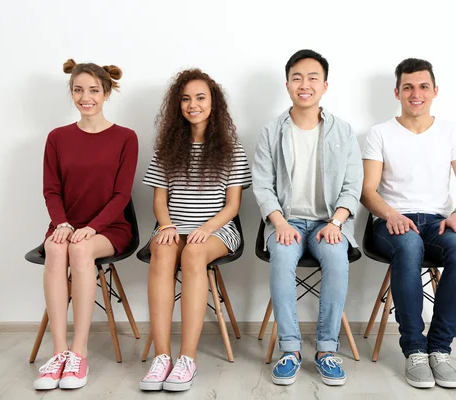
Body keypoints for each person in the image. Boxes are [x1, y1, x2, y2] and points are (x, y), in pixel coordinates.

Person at [361, 58, 456, 389]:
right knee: (409, 245)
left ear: (435, 91)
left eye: (423, 86)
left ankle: (439, 348)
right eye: (409, 87)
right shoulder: (379, 134)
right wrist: (390, 214)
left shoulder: (451, 132)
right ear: (397, 92)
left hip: (438, 224)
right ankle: (414, 349)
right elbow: (367, 191)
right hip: (390, 223)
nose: (416, 93)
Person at [252, 49, 362, 387]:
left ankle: (327, 349)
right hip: (285, 221)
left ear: (325, 85)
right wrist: (280, 223)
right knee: (282, 257)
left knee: (335, 255)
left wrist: (337, 222)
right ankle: (290, 350)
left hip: (328, 223)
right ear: (287, 85)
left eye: (313, 77)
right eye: (297, 77)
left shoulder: (343, 131)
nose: (305, 84)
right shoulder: (272, 131)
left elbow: (352, 185)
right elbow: (262, 184)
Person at [140, 69, 251, 392]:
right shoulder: (167, 148)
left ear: (213, 103)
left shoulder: (231, 148)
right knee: (161, 250)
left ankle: (187, 359)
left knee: (194, 253)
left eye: (200, 97)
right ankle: (162, 357)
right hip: (174, 226)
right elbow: (160, 200)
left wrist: (206, 227)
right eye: (186, 99)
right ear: (178, 105)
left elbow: (232, 206)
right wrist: (166, 225)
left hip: (217, 230)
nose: (193, 104)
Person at [33, 59, 138, 390]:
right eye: (78, 90)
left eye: (93, 90)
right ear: (72, 93)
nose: (85, 97)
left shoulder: (125, 137)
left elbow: (121, 196)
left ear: (106, 92)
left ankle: (79, 352)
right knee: (55, 247)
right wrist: (61, 223)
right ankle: (59, 352)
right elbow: (51, 190)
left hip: (109, 229)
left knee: (79, 251)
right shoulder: (57, 138)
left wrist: (92, 227)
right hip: (66, 225)